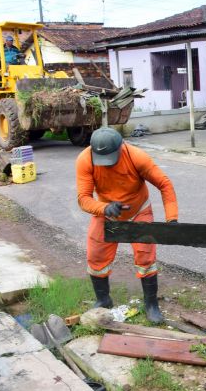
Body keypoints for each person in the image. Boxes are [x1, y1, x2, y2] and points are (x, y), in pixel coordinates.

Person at [76, 127, 178, 323]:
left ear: (122, 147)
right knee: (96, 255)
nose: (106, 164)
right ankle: (103, 300)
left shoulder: (137, 157)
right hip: (106, 212)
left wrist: (171, 219)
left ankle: (151, 305)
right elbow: (83, 198)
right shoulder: (85, 160)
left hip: (139, 210)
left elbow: (164, 184)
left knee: (145, 255)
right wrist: (104, 208)